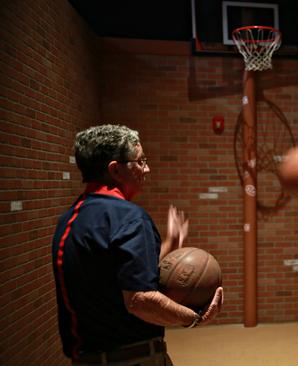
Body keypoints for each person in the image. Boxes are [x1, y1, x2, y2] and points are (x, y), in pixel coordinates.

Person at [51, 124, 224, 365]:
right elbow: (139, 299)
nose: (147, 168)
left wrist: (169, 243)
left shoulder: (70, 219)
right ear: (116, 170)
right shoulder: (129, 217)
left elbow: (121, 275)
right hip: (132, 357)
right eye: (140, 161)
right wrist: (194, 318)